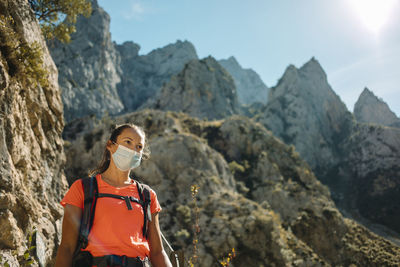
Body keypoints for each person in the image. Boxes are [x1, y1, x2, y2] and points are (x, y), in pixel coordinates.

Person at [55, 123, 172, 267]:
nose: (133, 150)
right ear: (110, 145)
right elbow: (66, 247)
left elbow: (158, 253)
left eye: (139, 147)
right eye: (128, 142)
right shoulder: (83, 189)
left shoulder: (147, 196)